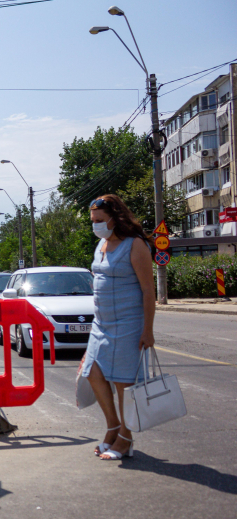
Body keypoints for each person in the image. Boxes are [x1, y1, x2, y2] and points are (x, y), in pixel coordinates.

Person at [80, 194, 155, 461]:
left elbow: (148, 290)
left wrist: (148, 330)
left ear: (115, 217)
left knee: (124, 383)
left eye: (99, 220)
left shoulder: (135, 245)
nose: (96, 225)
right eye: (93, 221)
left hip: (129, 323)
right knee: (92, 373)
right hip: (101, 324)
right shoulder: (100, 245)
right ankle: (113, 426)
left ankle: (125, 437)